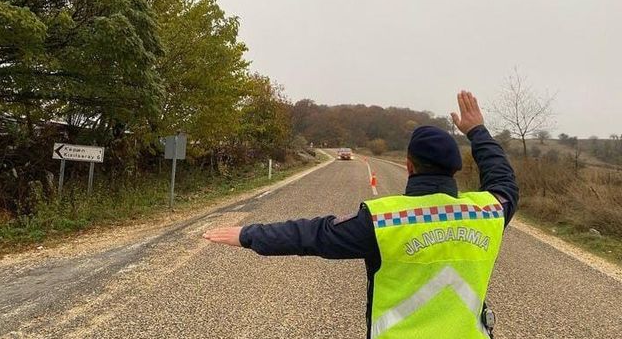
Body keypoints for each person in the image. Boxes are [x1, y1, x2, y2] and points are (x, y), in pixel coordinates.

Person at [204, 91, 518, 339]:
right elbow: (503, 180)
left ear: (409, 166)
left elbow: (313, 235)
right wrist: (478, 131)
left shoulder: (384, 221)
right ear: (455, 169)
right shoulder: (489, 211)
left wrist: (247, 234)